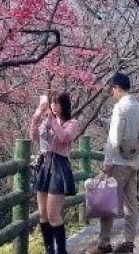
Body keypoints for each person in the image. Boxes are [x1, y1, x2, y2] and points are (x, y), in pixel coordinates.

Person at [85, 73, 139, 254]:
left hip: (118, 162)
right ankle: (129, 243)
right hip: (133, 162)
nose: (111, 93)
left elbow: (114, 138)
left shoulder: (120, 108)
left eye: (112, 89)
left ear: (118, 88)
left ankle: (104, 244)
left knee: (108, 202)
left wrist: (108, 161)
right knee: (131, 205)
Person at [31, 92, 80, 254]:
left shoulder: (72, 123)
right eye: (51, 103)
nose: (53, 106)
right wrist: (37, 116)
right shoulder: (47, 122)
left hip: (60, 166)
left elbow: (64, 137)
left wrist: (51, 120)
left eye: (57, 103)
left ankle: (61, 251)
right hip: (45, 165)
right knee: (43, 214)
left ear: (64, 105)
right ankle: (49, 250)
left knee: (53, 214)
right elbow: (34, 137)